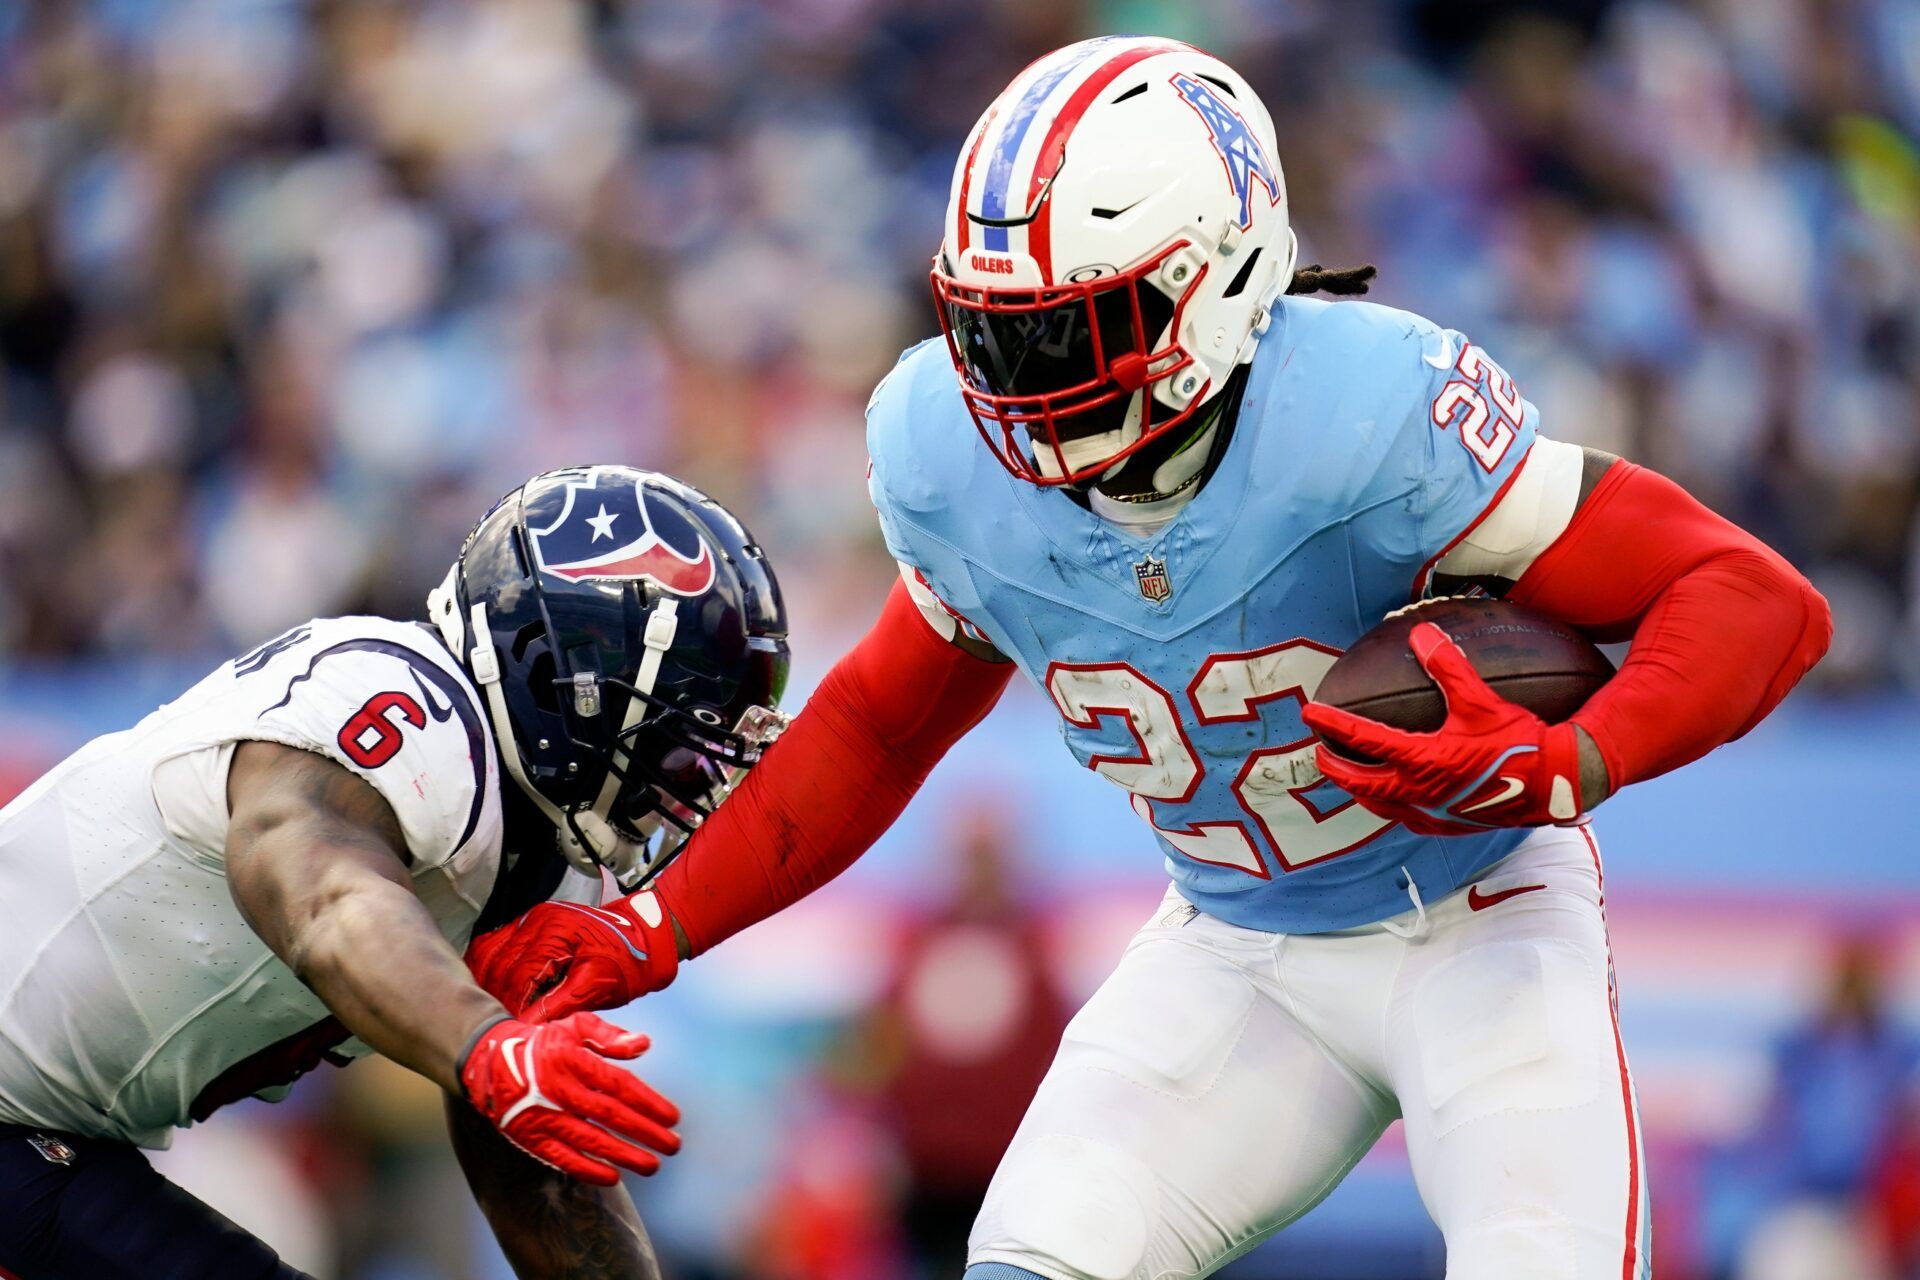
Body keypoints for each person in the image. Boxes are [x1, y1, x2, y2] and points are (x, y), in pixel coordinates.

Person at [470, 37, 1832, 1280]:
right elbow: (882, 725)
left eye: (1066, 327)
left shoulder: (1362, 416)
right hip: (1235, 944)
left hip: (1482, 924)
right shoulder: (950, 456)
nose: (1012, 373)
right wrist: (652, 924)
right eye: (991, 325)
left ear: (1219, 280)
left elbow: (1750, 595)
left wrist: (1569, 760)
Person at [0, 465, 790, 1280]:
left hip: (50, 1128)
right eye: (683, 737)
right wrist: (489, 1045)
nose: (694, 779)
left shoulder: (548, 867)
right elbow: (325, 898)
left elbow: (529, 1162)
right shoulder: (393, 697)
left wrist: (499, 1062)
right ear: (574, 681)